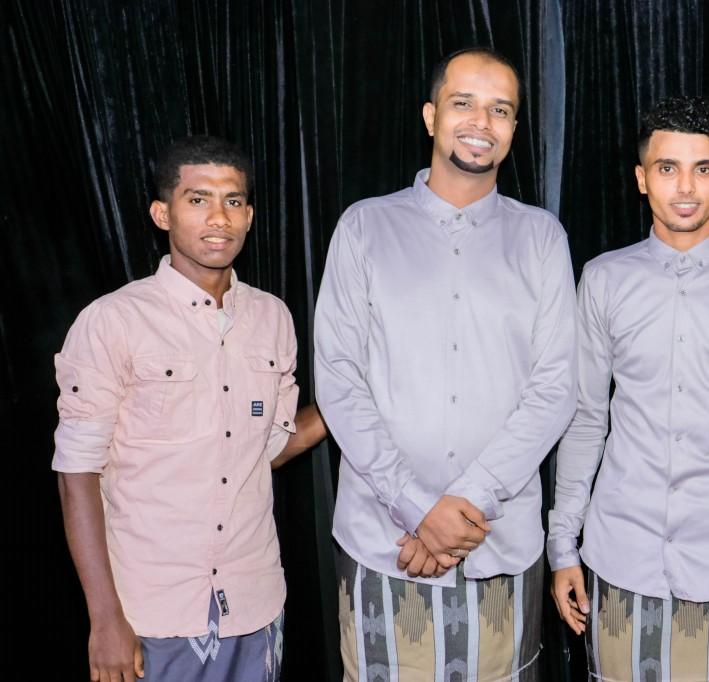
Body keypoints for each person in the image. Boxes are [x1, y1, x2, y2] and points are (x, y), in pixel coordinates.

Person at [314, 47, 576, 680]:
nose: (481, 122)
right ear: (431, 116)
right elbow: (339, 379)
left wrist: (464, 509)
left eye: (500, 110)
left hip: (499, 544)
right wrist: (415, 508)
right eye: (463, 103)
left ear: (514, 129)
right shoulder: (364, 228)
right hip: (383, 541)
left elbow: (555, 389)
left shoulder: (542, 238)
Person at [547, 96, 709, 681]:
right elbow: (587, 418)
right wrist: (563, 544)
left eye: (703, 169)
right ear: (642, 179)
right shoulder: (604, 277)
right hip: (621, 556)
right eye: (667, 168)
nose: (686, 187)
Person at [54, 135, 326, 682]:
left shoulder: (273, 318)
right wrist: (104, 618)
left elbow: (267, 449)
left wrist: (351, 399)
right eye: (198, 199)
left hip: (254, 602)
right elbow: (77, 473)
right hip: (151, 612)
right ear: (163, 214)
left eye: (233, 200)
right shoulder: (113, 320)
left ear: (249, 216)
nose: (218, 217)